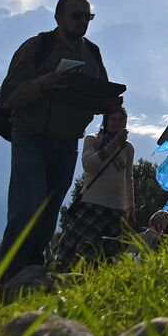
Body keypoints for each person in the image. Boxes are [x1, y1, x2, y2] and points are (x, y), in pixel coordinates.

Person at [0, 0, 116, 274]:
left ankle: (32, 273)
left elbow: (100, 94)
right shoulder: (37, 47)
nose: (83, 22)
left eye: (88, 17)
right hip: (30, 138)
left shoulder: (92, 53)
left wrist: (109, 102)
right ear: (58, 18)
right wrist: (43, 84)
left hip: (67, 144)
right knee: (26, 209)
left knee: (49, 215)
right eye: (77, 16)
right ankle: (8, 277)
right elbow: (7, 96)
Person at [50, 106, 135, 271]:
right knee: (78, 253)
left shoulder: (128, 148)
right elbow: (89, 164)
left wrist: (130, 207)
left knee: (110, 258)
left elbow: (128, 179)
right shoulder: (93, 139)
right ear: (105, 120)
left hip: (116, 210)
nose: (117, 123)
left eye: (120, 120)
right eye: (113, 119)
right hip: (92, 204)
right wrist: (113, 144)